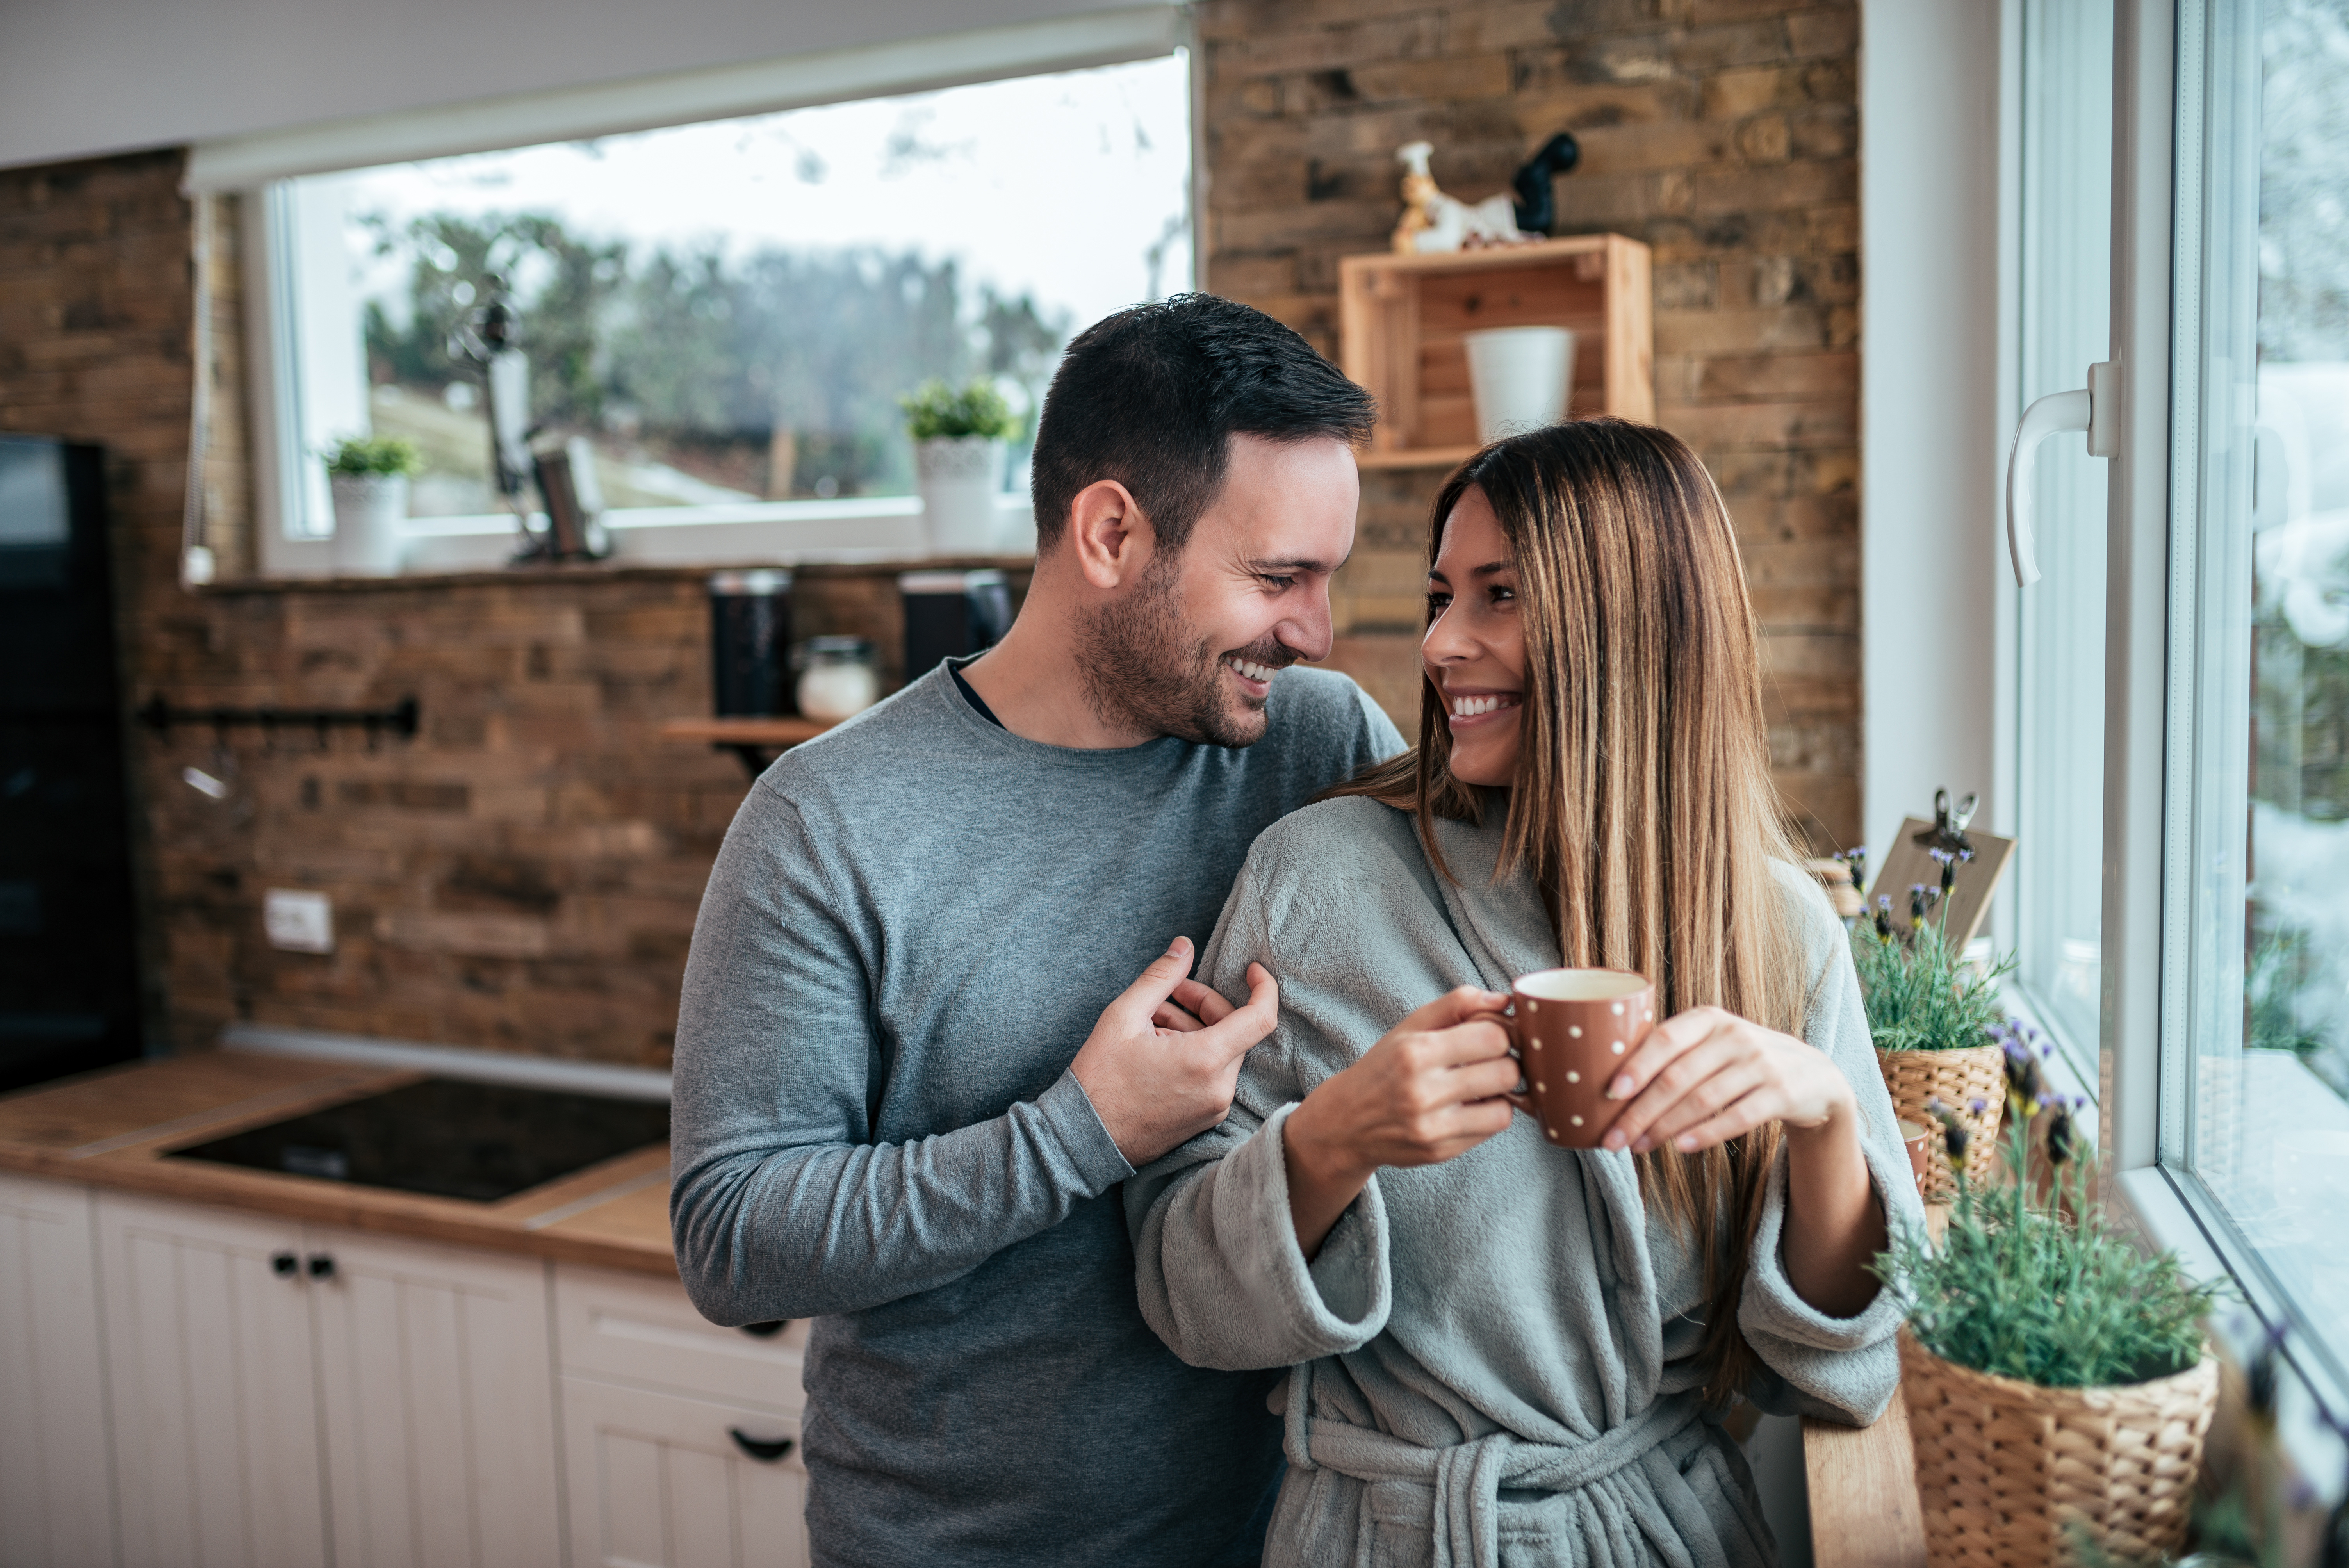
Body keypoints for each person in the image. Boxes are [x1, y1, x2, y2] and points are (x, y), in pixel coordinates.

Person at [668, 294, 1406, 1568]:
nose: (1314, 632)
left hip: (1283, 1536)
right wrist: (1085, 1132)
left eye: (1326, 580)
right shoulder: (829, 820)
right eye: (1277, 577)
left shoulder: (1320, 744)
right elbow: (733, 1235)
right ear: (1113, 533)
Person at [1129, 419, 1925, 1568]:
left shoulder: (1774, 932)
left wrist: (1826, 1121)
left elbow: (1842, 1374)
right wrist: (1334, 1142)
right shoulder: (1322, 876)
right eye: (1443, 592)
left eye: (1499, 596)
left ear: (1634, 627)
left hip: (1661, 1534)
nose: (1442, 641)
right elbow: (1180, 1292)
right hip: (1386, 1535)